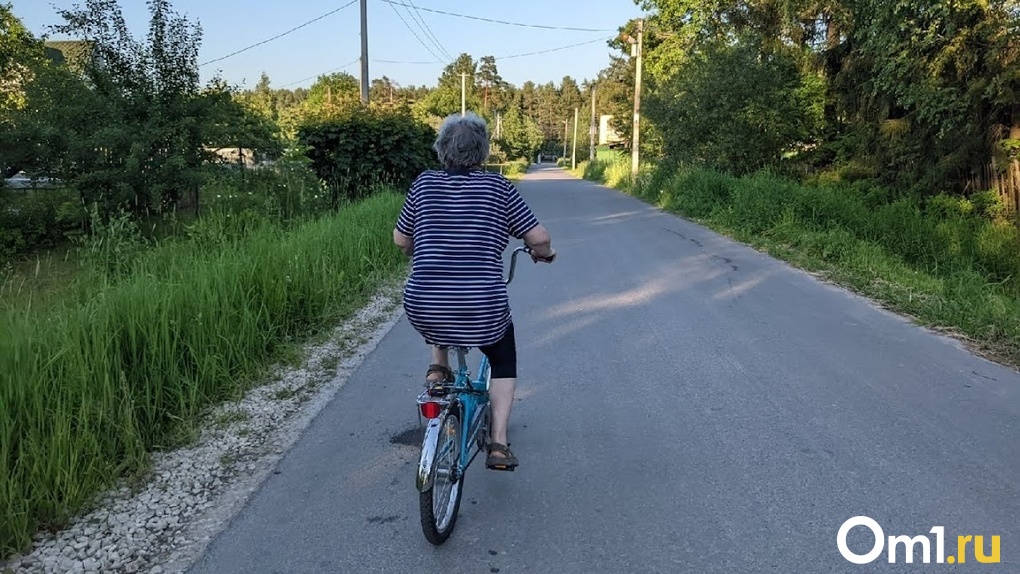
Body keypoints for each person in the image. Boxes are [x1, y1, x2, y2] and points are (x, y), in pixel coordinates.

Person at [393, 112, 555, 471]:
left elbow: (401, 240)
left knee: (440, 297)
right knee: (502, 357)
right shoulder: (498, 188)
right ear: (482, 153)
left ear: (441, 151)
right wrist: (544, 254)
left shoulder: (423, 185)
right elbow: (538, 238)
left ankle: (438, 367)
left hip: (423, 304)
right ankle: (498, 442)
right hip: (481, 305)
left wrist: (416, 246)